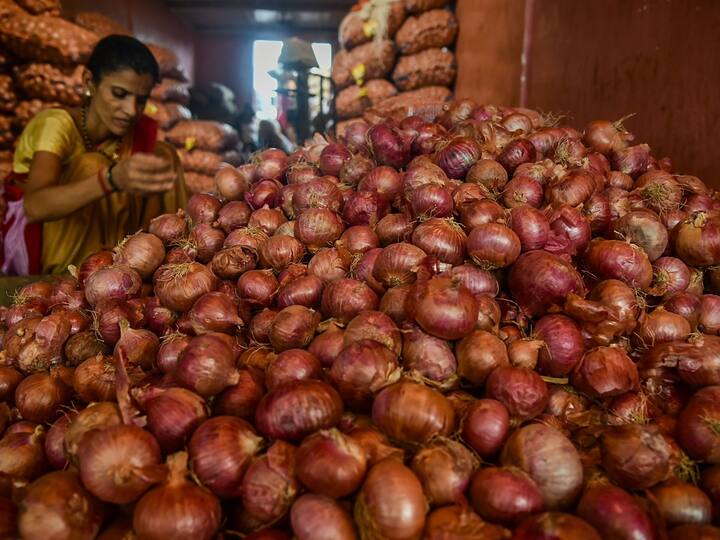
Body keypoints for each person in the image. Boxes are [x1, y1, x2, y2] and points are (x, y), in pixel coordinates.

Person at [1, 35, 187, 275]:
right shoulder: (56, 124)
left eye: (140, 100)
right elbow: (34, 207)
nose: (131, 111)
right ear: (89, 82)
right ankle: (80, 279)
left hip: (119, 250)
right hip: (39, 245)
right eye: (119, 94)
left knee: (163, 156)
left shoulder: (134, 134)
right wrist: (110, 179)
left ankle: (161, 269)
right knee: (92, 165)